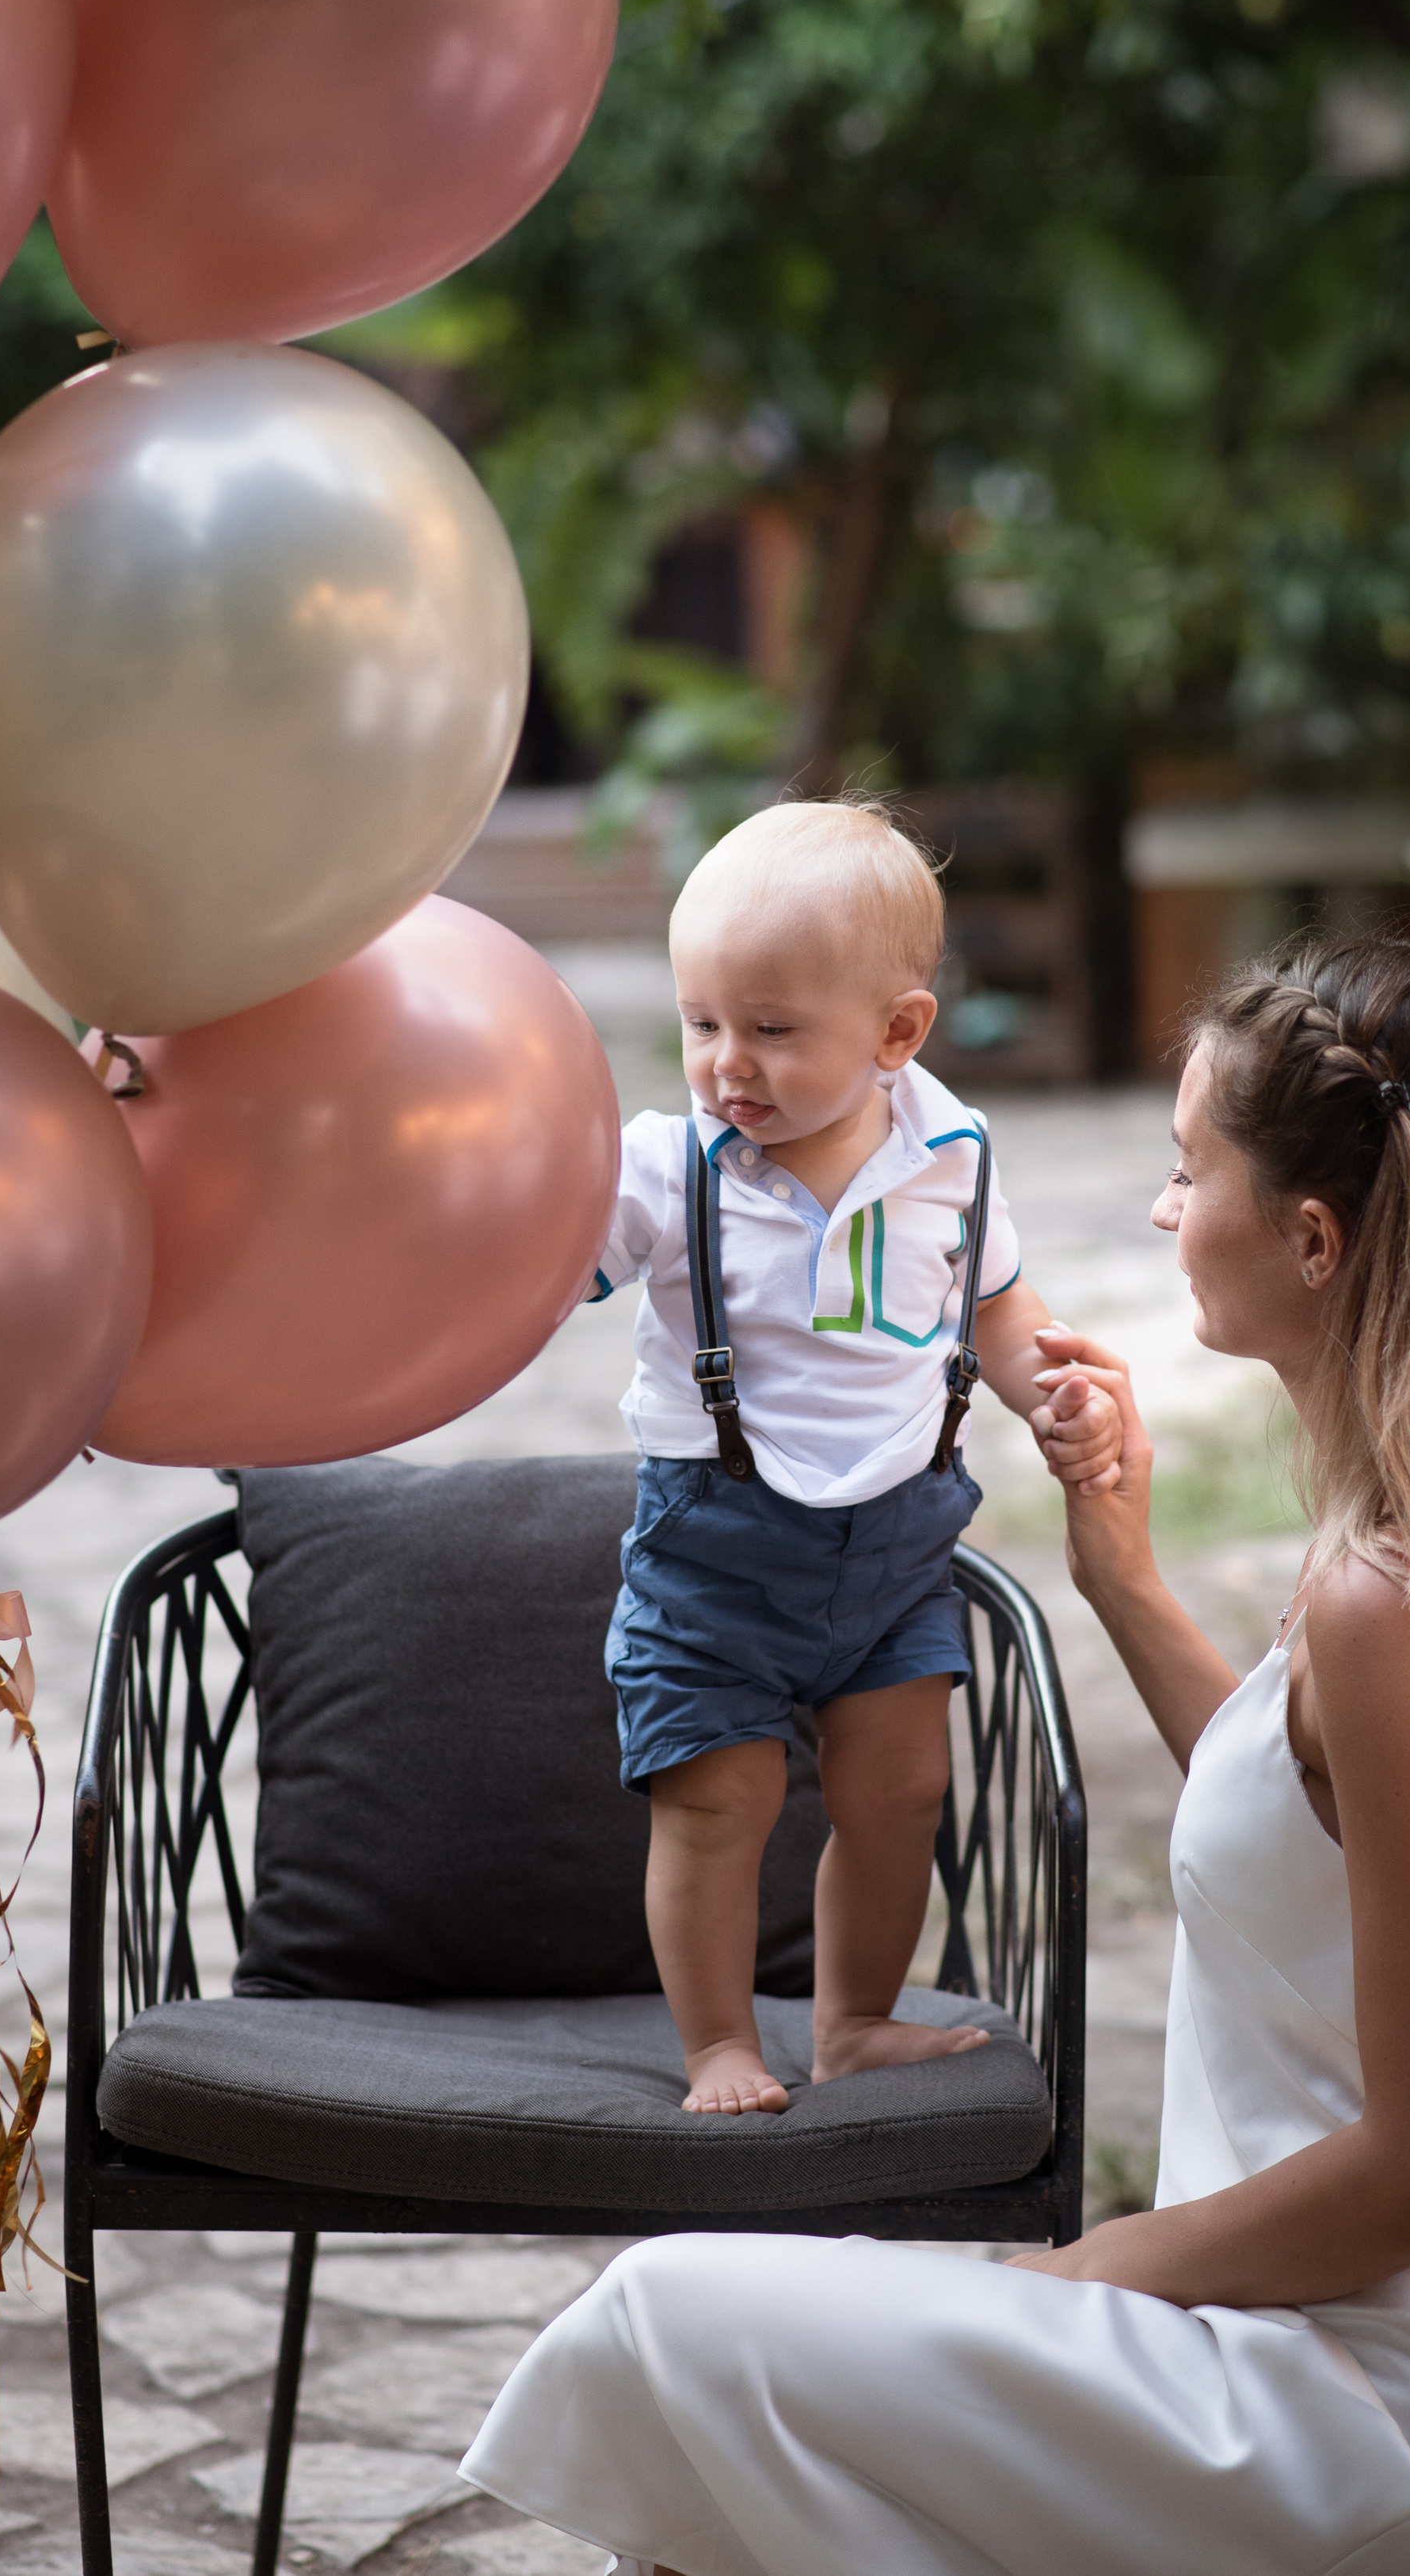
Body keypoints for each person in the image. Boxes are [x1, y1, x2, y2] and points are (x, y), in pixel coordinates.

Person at [462, 930, 1410, 2576]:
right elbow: (1327, 1844)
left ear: (1314, 1238)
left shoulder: (1390, 1605)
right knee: (739, 2398)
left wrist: (1093, 2269)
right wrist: (1118, 1572)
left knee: (680, 2322)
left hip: (1380, 2418)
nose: (1159, 1210)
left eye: (1188, 1172)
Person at [589, 798, 1123, 2117]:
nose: (728, 1065)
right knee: (720, 1799)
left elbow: (998, 1310)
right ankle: (719, 2041)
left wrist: (1055, 1386)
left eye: (772, 1029)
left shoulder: (953, 1155)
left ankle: (857, 2021)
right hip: (714, 1548)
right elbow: (545, 1267)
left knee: (902, 1793)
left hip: (894, 1549)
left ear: (897, 1033)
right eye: (702, 1022)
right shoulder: (669, 1170)